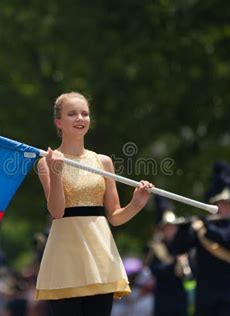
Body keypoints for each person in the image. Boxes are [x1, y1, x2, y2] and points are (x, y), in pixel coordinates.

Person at [35, 92, 154, 316]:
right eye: (72, 114)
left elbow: (115, 217)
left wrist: (136, 204)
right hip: (65, 256)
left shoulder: (103, 162)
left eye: (85, 113)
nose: (80, 118)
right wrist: (56, 173)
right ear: (58, 122)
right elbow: (57, 212)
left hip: (100, 255)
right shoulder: (46, 162)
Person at [168, 161, 230, 316]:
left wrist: (207, 228)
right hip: (205, 292)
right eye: (222, 204)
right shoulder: (199, 228)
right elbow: (178, 249)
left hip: (227, 291)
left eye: (228, 204)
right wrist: (183, 230)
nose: (227, 207)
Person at [146, 209, 189, 316]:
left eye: (172, 227)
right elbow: (155, 270)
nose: (170, 230)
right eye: (167, 228)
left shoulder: (182, 247)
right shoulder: (156, 247)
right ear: (163, 230)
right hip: (163, 295)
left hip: (180, 294)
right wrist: (174, 262)